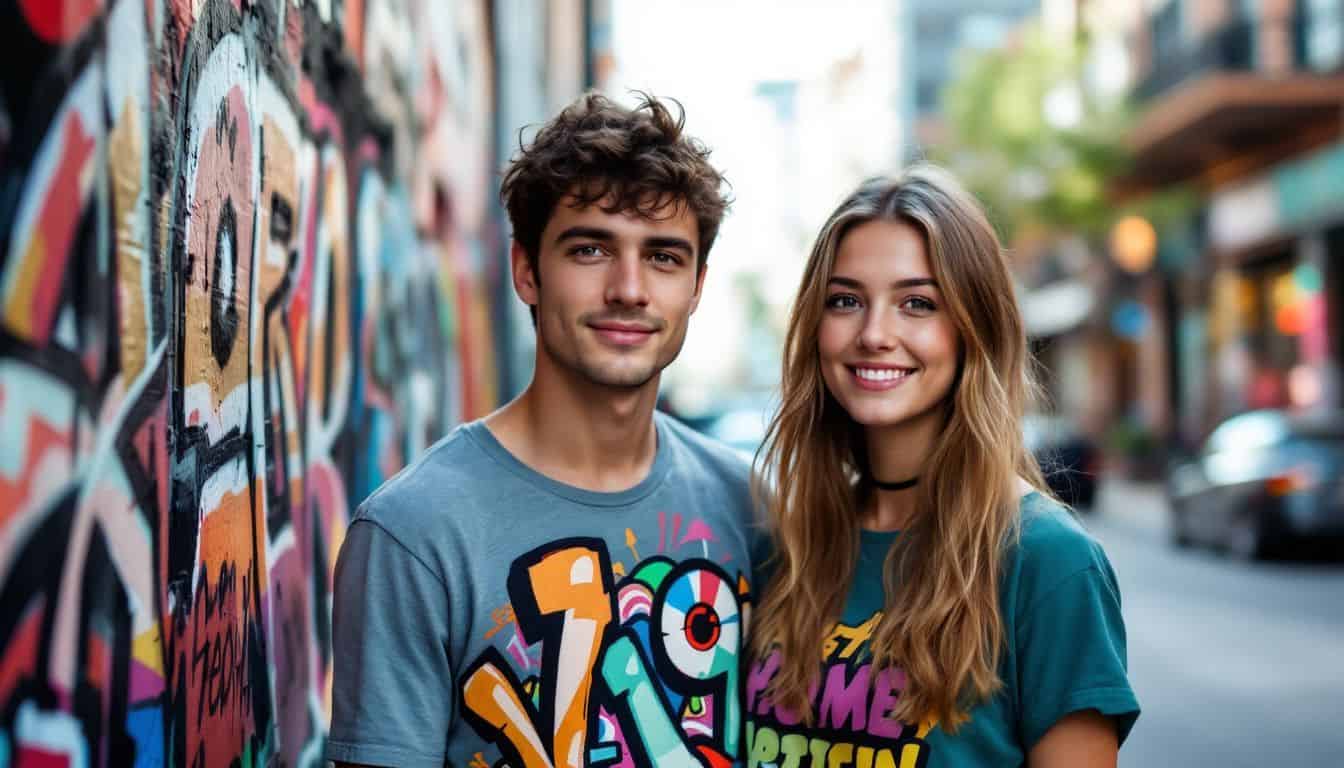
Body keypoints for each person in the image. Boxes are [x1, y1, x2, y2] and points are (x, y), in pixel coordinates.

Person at [326, 93, 755, 768]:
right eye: (590, 249)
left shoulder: (751, 509)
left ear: (697, 287)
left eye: (664, 258)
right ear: (528, 270)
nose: (630, 289)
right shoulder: (415, 534)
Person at [746, 167, 1139, 767]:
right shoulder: (790, 545)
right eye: (846, 300)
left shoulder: (1048, 561)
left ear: (972, 328)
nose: (875, 333)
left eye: (917, 303)